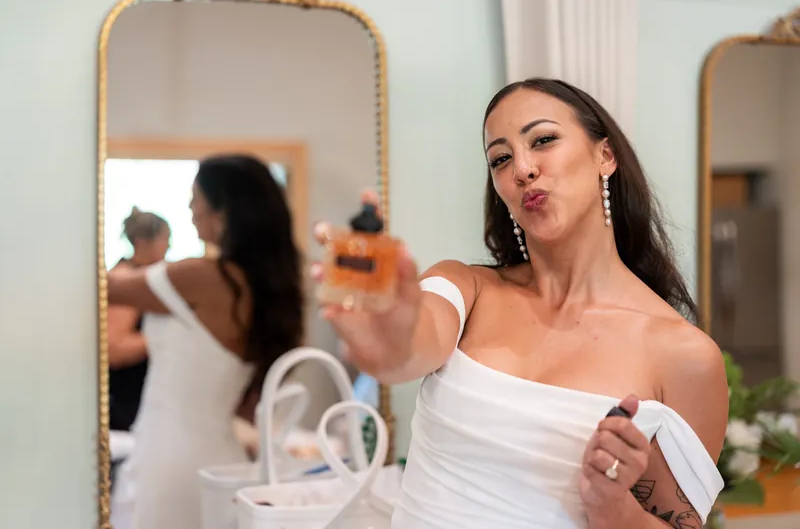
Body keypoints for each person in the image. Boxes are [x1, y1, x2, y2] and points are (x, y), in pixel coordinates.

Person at [312, 79, 728, 529]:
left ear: (604, 156)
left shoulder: (684, 356)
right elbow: (403, 353)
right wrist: (386, 325)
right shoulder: (464, 288)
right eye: (501, 158)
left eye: (543, 140)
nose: (523, 169)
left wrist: (612, 505)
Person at [108, 155, 304, 529]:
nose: (189, 208)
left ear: (222, 211)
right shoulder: (268, 291)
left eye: (195, 198)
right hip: (221, 457)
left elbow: (107, 288)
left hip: (169, 460)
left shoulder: (202, 277)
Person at [109, 207, 170, 434]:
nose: (168, 247)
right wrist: (167, 336)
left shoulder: (147, 277)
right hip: (126, 403)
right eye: (165, 239)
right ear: (142, 242)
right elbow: (113, 349)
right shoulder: (125, 280)